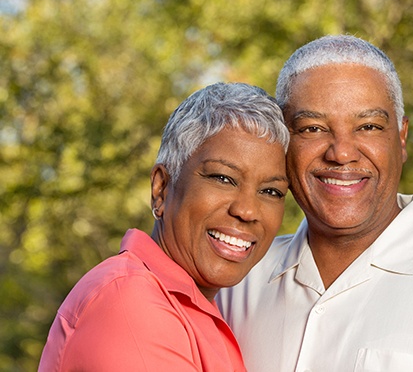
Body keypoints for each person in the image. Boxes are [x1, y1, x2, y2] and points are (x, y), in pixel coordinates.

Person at [216, 35, 413, 371]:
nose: (342, 153)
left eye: (368, 126)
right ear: (283, 143)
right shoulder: (235, 282)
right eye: (313, 128)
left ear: (402, 137)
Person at [38, 82, 290, 371]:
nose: (247, 210)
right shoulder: (129, 301)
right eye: (222, 178)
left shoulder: (201, 310)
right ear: (162, 187)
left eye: (271, 192)